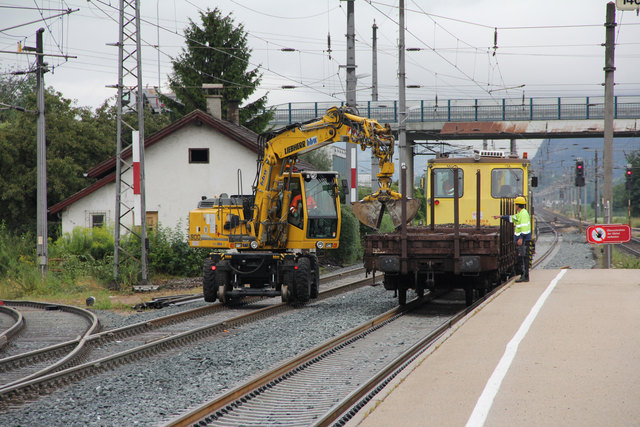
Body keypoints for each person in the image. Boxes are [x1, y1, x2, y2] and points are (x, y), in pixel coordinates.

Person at [493, 196, 531, 282]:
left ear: (518, 205)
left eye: (515, 205)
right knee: (521, 258)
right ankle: (524, 276)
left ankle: (525, 276)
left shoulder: (523, 214)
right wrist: (500, 216)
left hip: (523, 241)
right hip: (522, 240)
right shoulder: (521, 214)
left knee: (523, 258)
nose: (515, 206)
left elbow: (524, 228)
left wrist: (521, 238)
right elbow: (511, 218)